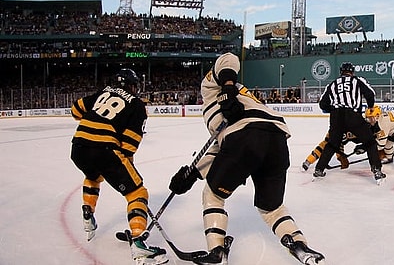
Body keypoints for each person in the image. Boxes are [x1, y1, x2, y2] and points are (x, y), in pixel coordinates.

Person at [167, 53, 324, 265]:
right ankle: (299, 245)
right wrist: (193, 173)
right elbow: (222, 146)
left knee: (213, 196)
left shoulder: (211, 89)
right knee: (272, 208)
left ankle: (216, 251)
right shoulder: (246, 98)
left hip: (245, 137)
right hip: (276, 141)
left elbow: (228, 59)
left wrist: (228, 90)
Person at [69, 68, 169, 265]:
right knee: (137, 192)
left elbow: (75, 110)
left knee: (94, 177)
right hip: (104, 149)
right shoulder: (137, 105)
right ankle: (139, 245)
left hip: (78, 147)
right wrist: (126, 167)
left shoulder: (103, 93)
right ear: (132, 86)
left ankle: (88, 213)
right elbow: (129, 144)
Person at [312, 61, 385, 184]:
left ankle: (319, 169)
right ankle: (377, 170)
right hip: (353, 115)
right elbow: (370, 94)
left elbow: (322, 104)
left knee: (332, 144)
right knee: (370, 142)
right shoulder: (357, 80)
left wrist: (334, 110)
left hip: (336, 117)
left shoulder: (332, 84)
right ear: (352, 72)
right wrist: (370, 107)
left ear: (341, 72)